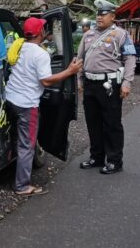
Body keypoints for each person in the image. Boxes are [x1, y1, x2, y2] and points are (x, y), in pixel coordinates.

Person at [5, 17, 82, 195]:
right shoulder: (40, 54)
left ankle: (15, 168)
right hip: (27, 104)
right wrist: (70, 71)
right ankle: (22, 186)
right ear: (40, 33)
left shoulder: (19, 46)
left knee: (17, 137)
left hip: (11, 99)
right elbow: (46, 81)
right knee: (27, 144)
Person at [77, 0, 136, 174]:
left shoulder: (121, 34)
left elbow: (130, 59)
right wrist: (79, 80)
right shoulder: (88, 35)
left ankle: (114, 160)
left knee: (112, 123)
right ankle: (96, 157)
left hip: (109, 84)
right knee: (92, 122)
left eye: (103, 14)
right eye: (98, 14)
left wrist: (127, 82)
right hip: (90, 84)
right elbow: (80, 58)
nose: (99, 17)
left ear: (112, 16)